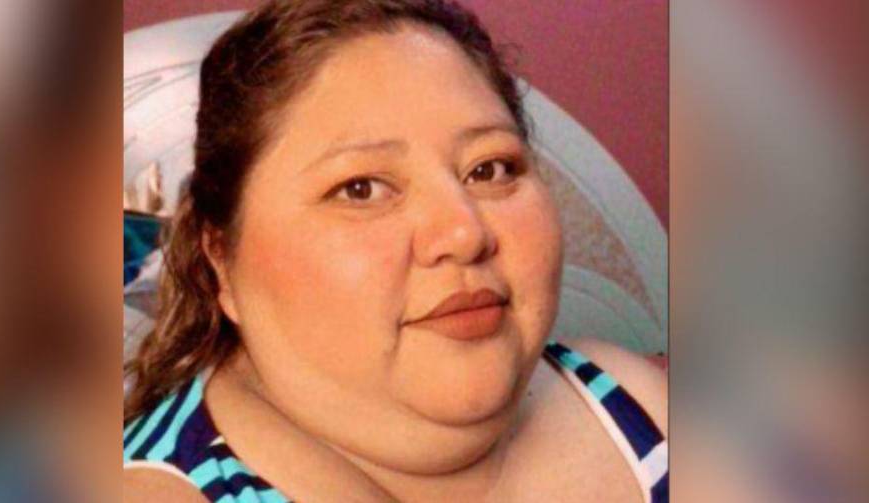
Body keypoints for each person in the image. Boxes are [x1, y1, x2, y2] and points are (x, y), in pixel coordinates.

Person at [123, 1, 667, 501]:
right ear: (221, 260)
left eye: (489, 169)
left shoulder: (638, 406)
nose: (464, 233)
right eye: (360, 189)